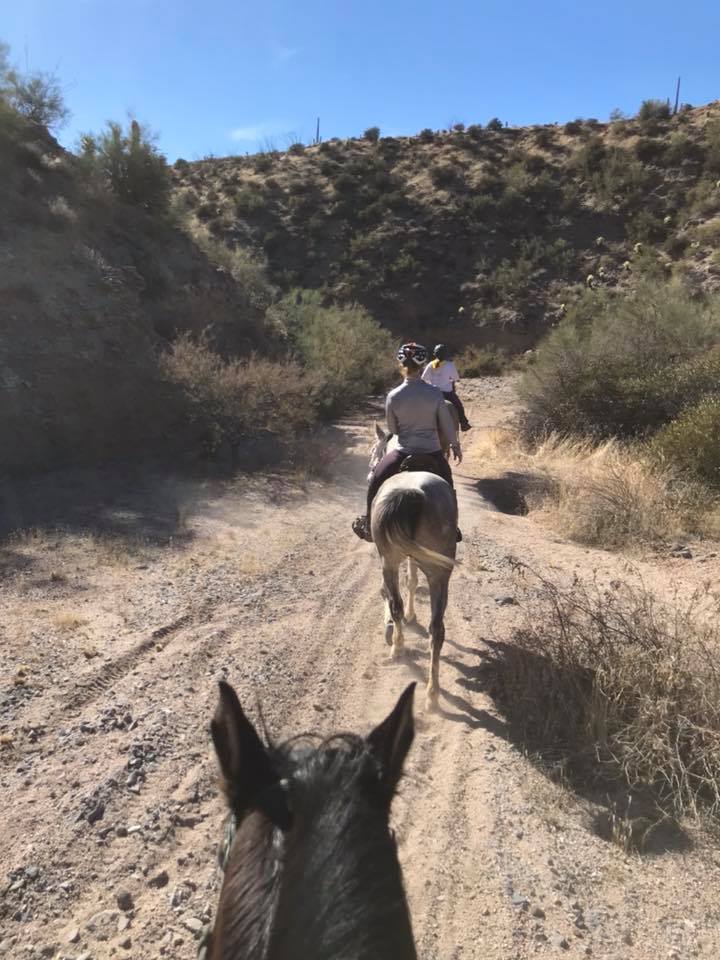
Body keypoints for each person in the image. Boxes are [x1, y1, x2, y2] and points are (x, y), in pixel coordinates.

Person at [352, 342, 462, 543]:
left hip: (402, 452)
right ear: (422, 366)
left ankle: (368, 522)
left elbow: (393, 430)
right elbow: (446, 423)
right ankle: (452, 527)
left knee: (376, 479)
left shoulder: (393, 396)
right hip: (432, 452)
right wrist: (455, 445)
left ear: (401, 365)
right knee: (447, 484)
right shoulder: (435, 394)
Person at [421, 344, 472, 431]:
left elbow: (423, 378)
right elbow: (456, 378)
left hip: (433, 394)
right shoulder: (450, 364)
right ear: (445, 354)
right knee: (459, 406)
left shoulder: (431, 364)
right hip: (447, 394)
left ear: (435, 354)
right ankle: (464, 423)